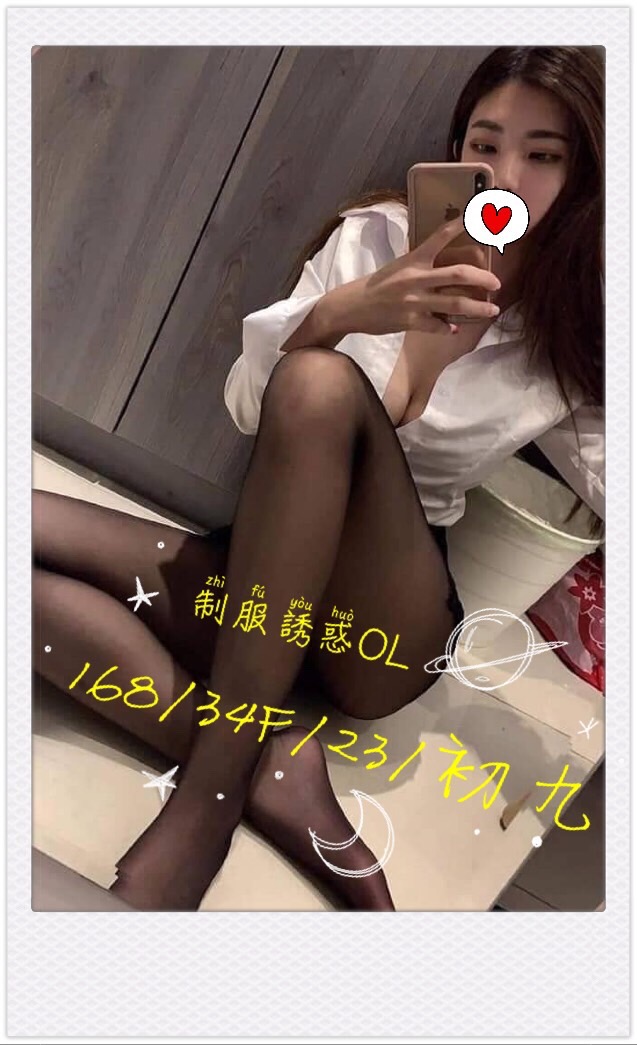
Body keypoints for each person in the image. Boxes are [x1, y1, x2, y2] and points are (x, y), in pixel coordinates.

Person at [32, 45, 604, 912]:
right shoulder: (373, 239)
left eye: (543, 155)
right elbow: (248, 409)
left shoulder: (565, 324)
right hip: (266, 580)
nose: (505, 178)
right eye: (484, 145)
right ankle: (277, 771)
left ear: (582, 176)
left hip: (381, 633)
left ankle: (208, 801)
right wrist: (340, 313)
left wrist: (408, 381)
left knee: (319, 383)